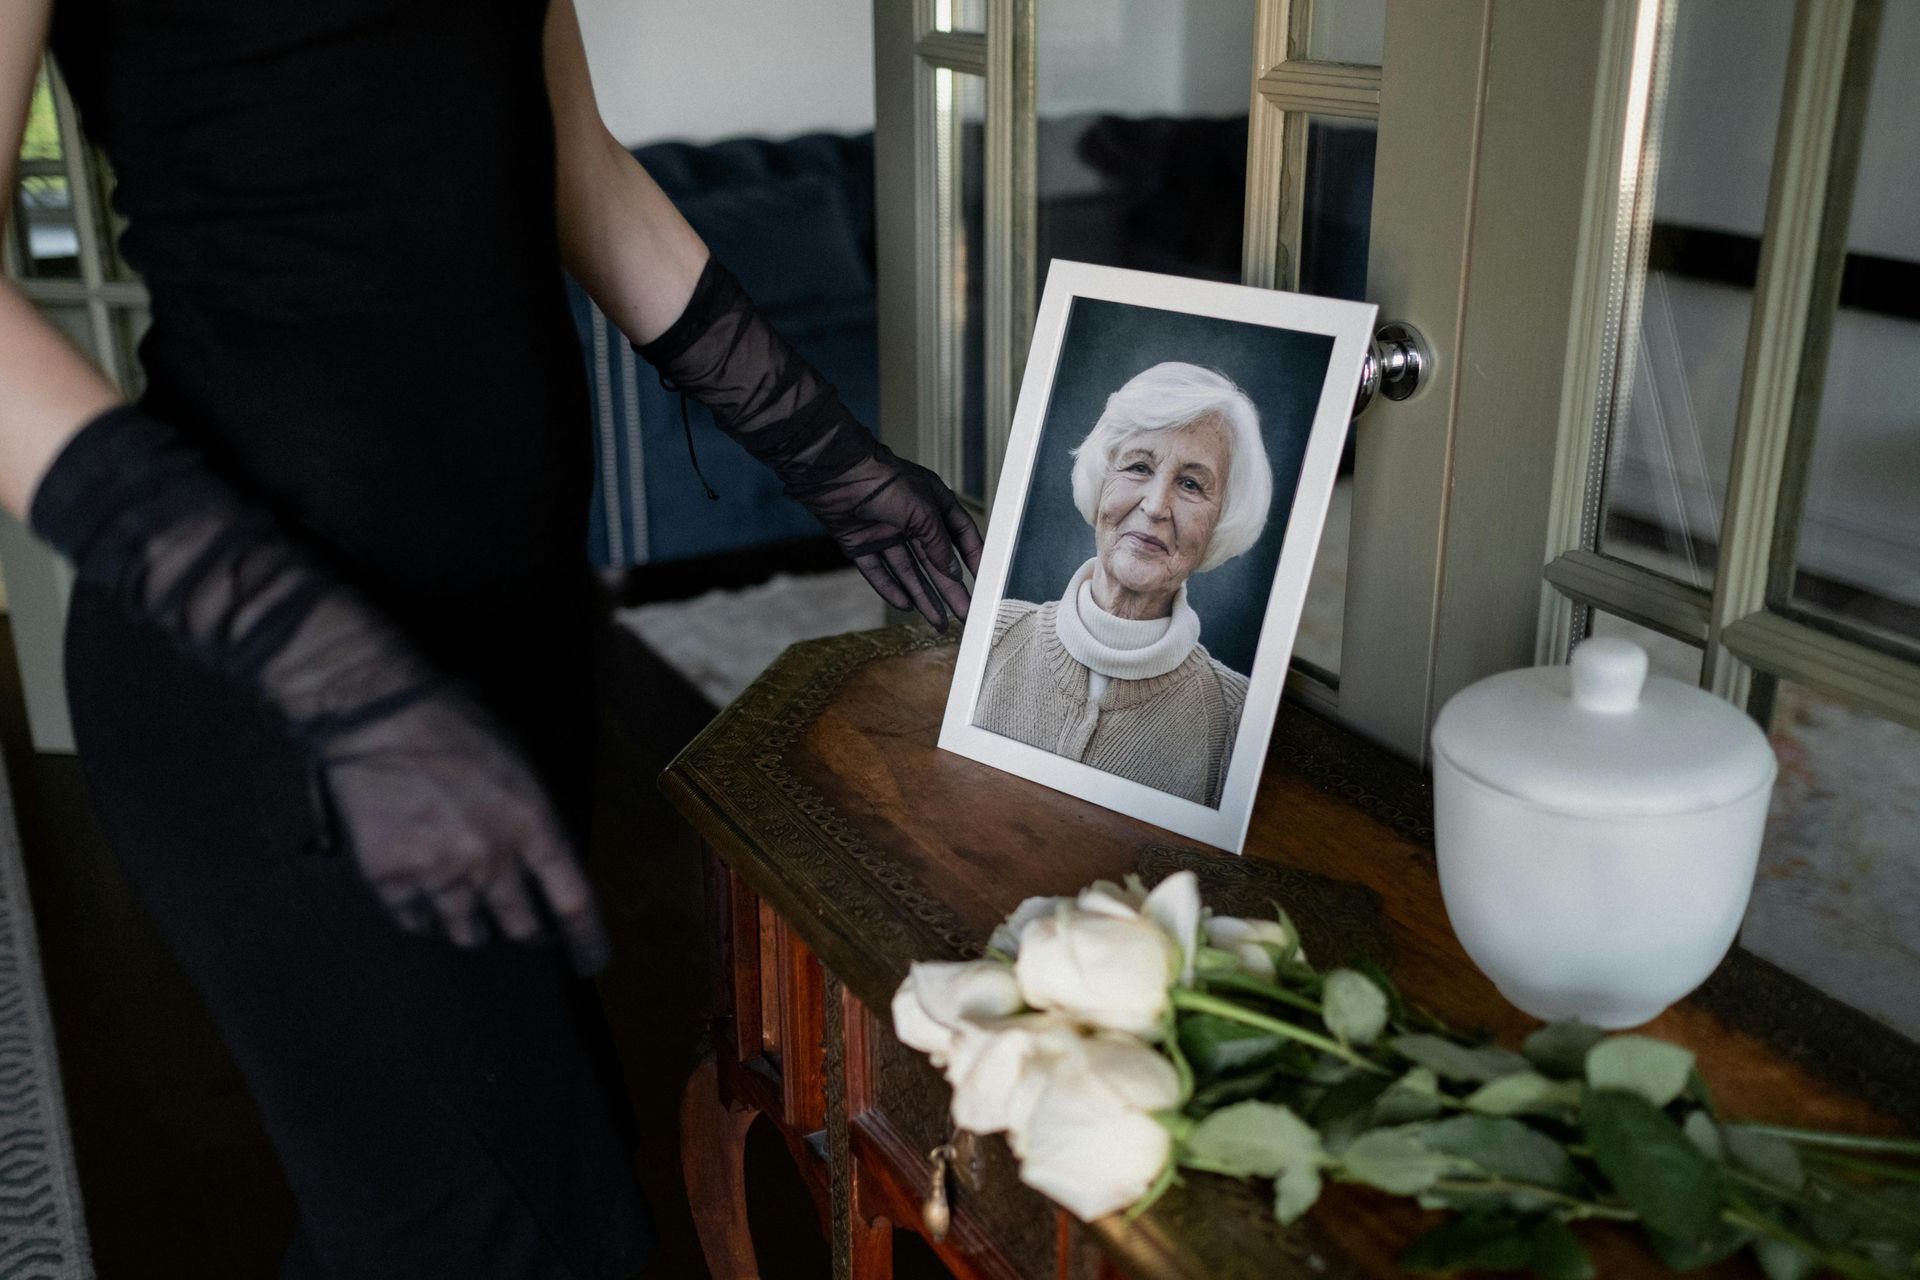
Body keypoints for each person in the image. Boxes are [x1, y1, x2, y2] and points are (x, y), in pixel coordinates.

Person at [0, 1, 980, 1275]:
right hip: (271, 678)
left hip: (510, 632)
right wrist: (335, 679)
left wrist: (832, 460)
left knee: (466, 1194)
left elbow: (577, 162)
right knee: (501, 1226)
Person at [974, 362, 1270, 808]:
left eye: (1190, 484)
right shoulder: (990, 636)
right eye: (1137, 467)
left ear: (1222, 522)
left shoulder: (1236, 719)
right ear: (1100, 478)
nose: (1155, 506)